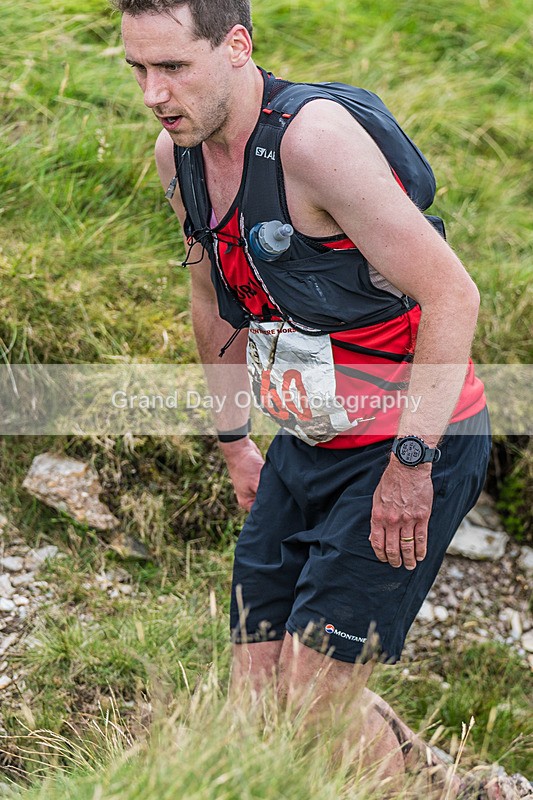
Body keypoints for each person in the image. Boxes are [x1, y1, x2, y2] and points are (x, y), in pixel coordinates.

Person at [114, 1, 510, 796]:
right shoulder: (178, 155)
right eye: (139, 70)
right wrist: (235, 440)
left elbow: (452, 294)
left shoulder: (313, 143)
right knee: (258, 694)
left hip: (408, 444)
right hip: (308, 440)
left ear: (236, 46)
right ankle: (445, 780)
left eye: (173, 67)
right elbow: (211, 296)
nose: (154, 94)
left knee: (311, 707)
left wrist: (411, 466)